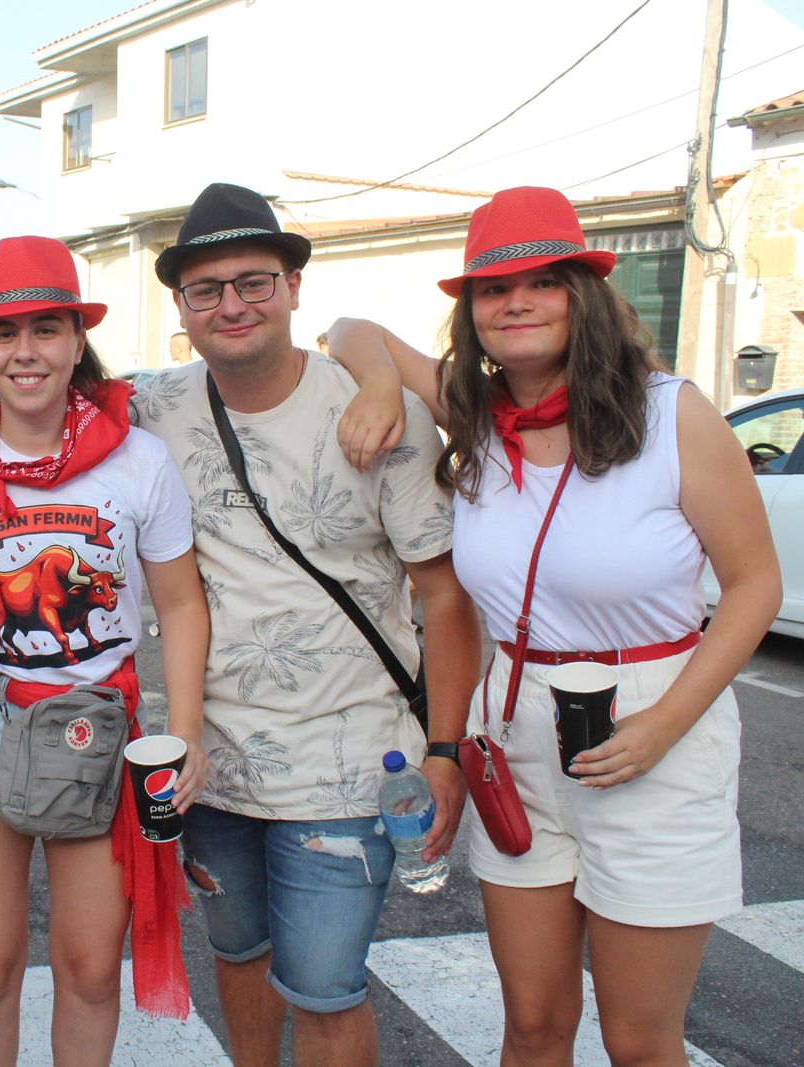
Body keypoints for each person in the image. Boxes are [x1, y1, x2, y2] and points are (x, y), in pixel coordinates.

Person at [327, 185, 781, 1066]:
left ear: (585, 295)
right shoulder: (481, 420)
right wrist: (383, 379)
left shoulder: (672, 415)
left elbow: (755, 585)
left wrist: (663, 725)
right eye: (493, 290)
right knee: (532, 1025)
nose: (516, 302)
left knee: (640, 1040)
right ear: (474, 313)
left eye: (543, 281)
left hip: (655, 718)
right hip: (519, 723)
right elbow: (351, 330)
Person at [132, 183, 481, 1066]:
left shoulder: (381, 415)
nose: (232, 304)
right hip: (207, 765)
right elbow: (23, 408)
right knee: (239, 958)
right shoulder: (149, 409)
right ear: (181, 307)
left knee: (326, 987)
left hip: (348, 762)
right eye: (205, 289)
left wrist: (446, 751)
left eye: (253, 280)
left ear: (293, 286)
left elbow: (444, 596)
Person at [0, 235, 210, 1065]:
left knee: (89, 965)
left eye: (45, 329)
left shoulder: (138, 461)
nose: (24, 351)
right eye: (3, 333)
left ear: (77, 340)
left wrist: (186, 736)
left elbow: (180, 605)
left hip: (97, 727)